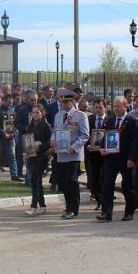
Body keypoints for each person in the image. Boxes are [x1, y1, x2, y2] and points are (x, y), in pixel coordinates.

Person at [97, 97, 138, 222]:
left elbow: (136, 142)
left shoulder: (132, 121)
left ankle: (129, 211)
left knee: (127, 186)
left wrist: (132, 159)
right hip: (111, 158)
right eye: (114, 106)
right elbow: (104, 138)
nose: (116, 108)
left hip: (125, 159)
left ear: (125, 107)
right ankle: (107, 213)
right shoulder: (110, 121)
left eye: (119, 106)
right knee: (107, 185)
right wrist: (101, 149)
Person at [50, 88, 89, 219]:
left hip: (73, 154)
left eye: (66, 102)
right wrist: (52, 141)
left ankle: (74, 208)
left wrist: (74, 147)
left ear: (72, 101)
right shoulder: (58, 115)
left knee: (71, 180)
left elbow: (85, 135)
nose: (64, 104)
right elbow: (54, 131)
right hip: (61, 154)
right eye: (62, 102)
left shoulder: (80, 115)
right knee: (62, 181)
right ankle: (68, 207)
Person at [23, 104, 51, 215]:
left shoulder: (46, 125)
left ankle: (33, 206)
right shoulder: (30, 125)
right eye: (33, 112)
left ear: (42, 113)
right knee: (37, 181)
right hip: (32, 157)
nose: (35, 115)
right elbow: (27, 140)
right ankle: (43, 205)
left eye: (37, 112)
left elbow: (50, 142)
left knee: (34, 179)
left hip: (42, 156)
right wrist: (26, 151)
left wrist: (40, 146)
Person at [0, 94, 20, 181]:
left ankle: (14, 175)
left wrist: (15, 132)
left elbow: (14, 124)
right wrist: (3, 134)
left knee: (12, 156)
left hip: (10, 138)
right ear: (3, 101)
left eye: (11, 102)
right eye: (9, 102)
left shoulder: (11, 110)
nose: (10, 104)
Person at [86, 99, 108, 210]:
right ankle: (99, 200)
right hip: (93, 154)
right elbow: (85, 135)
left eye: (100, 107)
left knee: (105, 177)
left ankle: (106, 200)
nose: (98, 110)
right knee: (94, 177)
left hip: (105, 154)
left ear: (105, 108)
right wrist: (88, 145)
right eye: (96, 108)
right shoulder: (89, 120)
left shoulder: (110, 120)